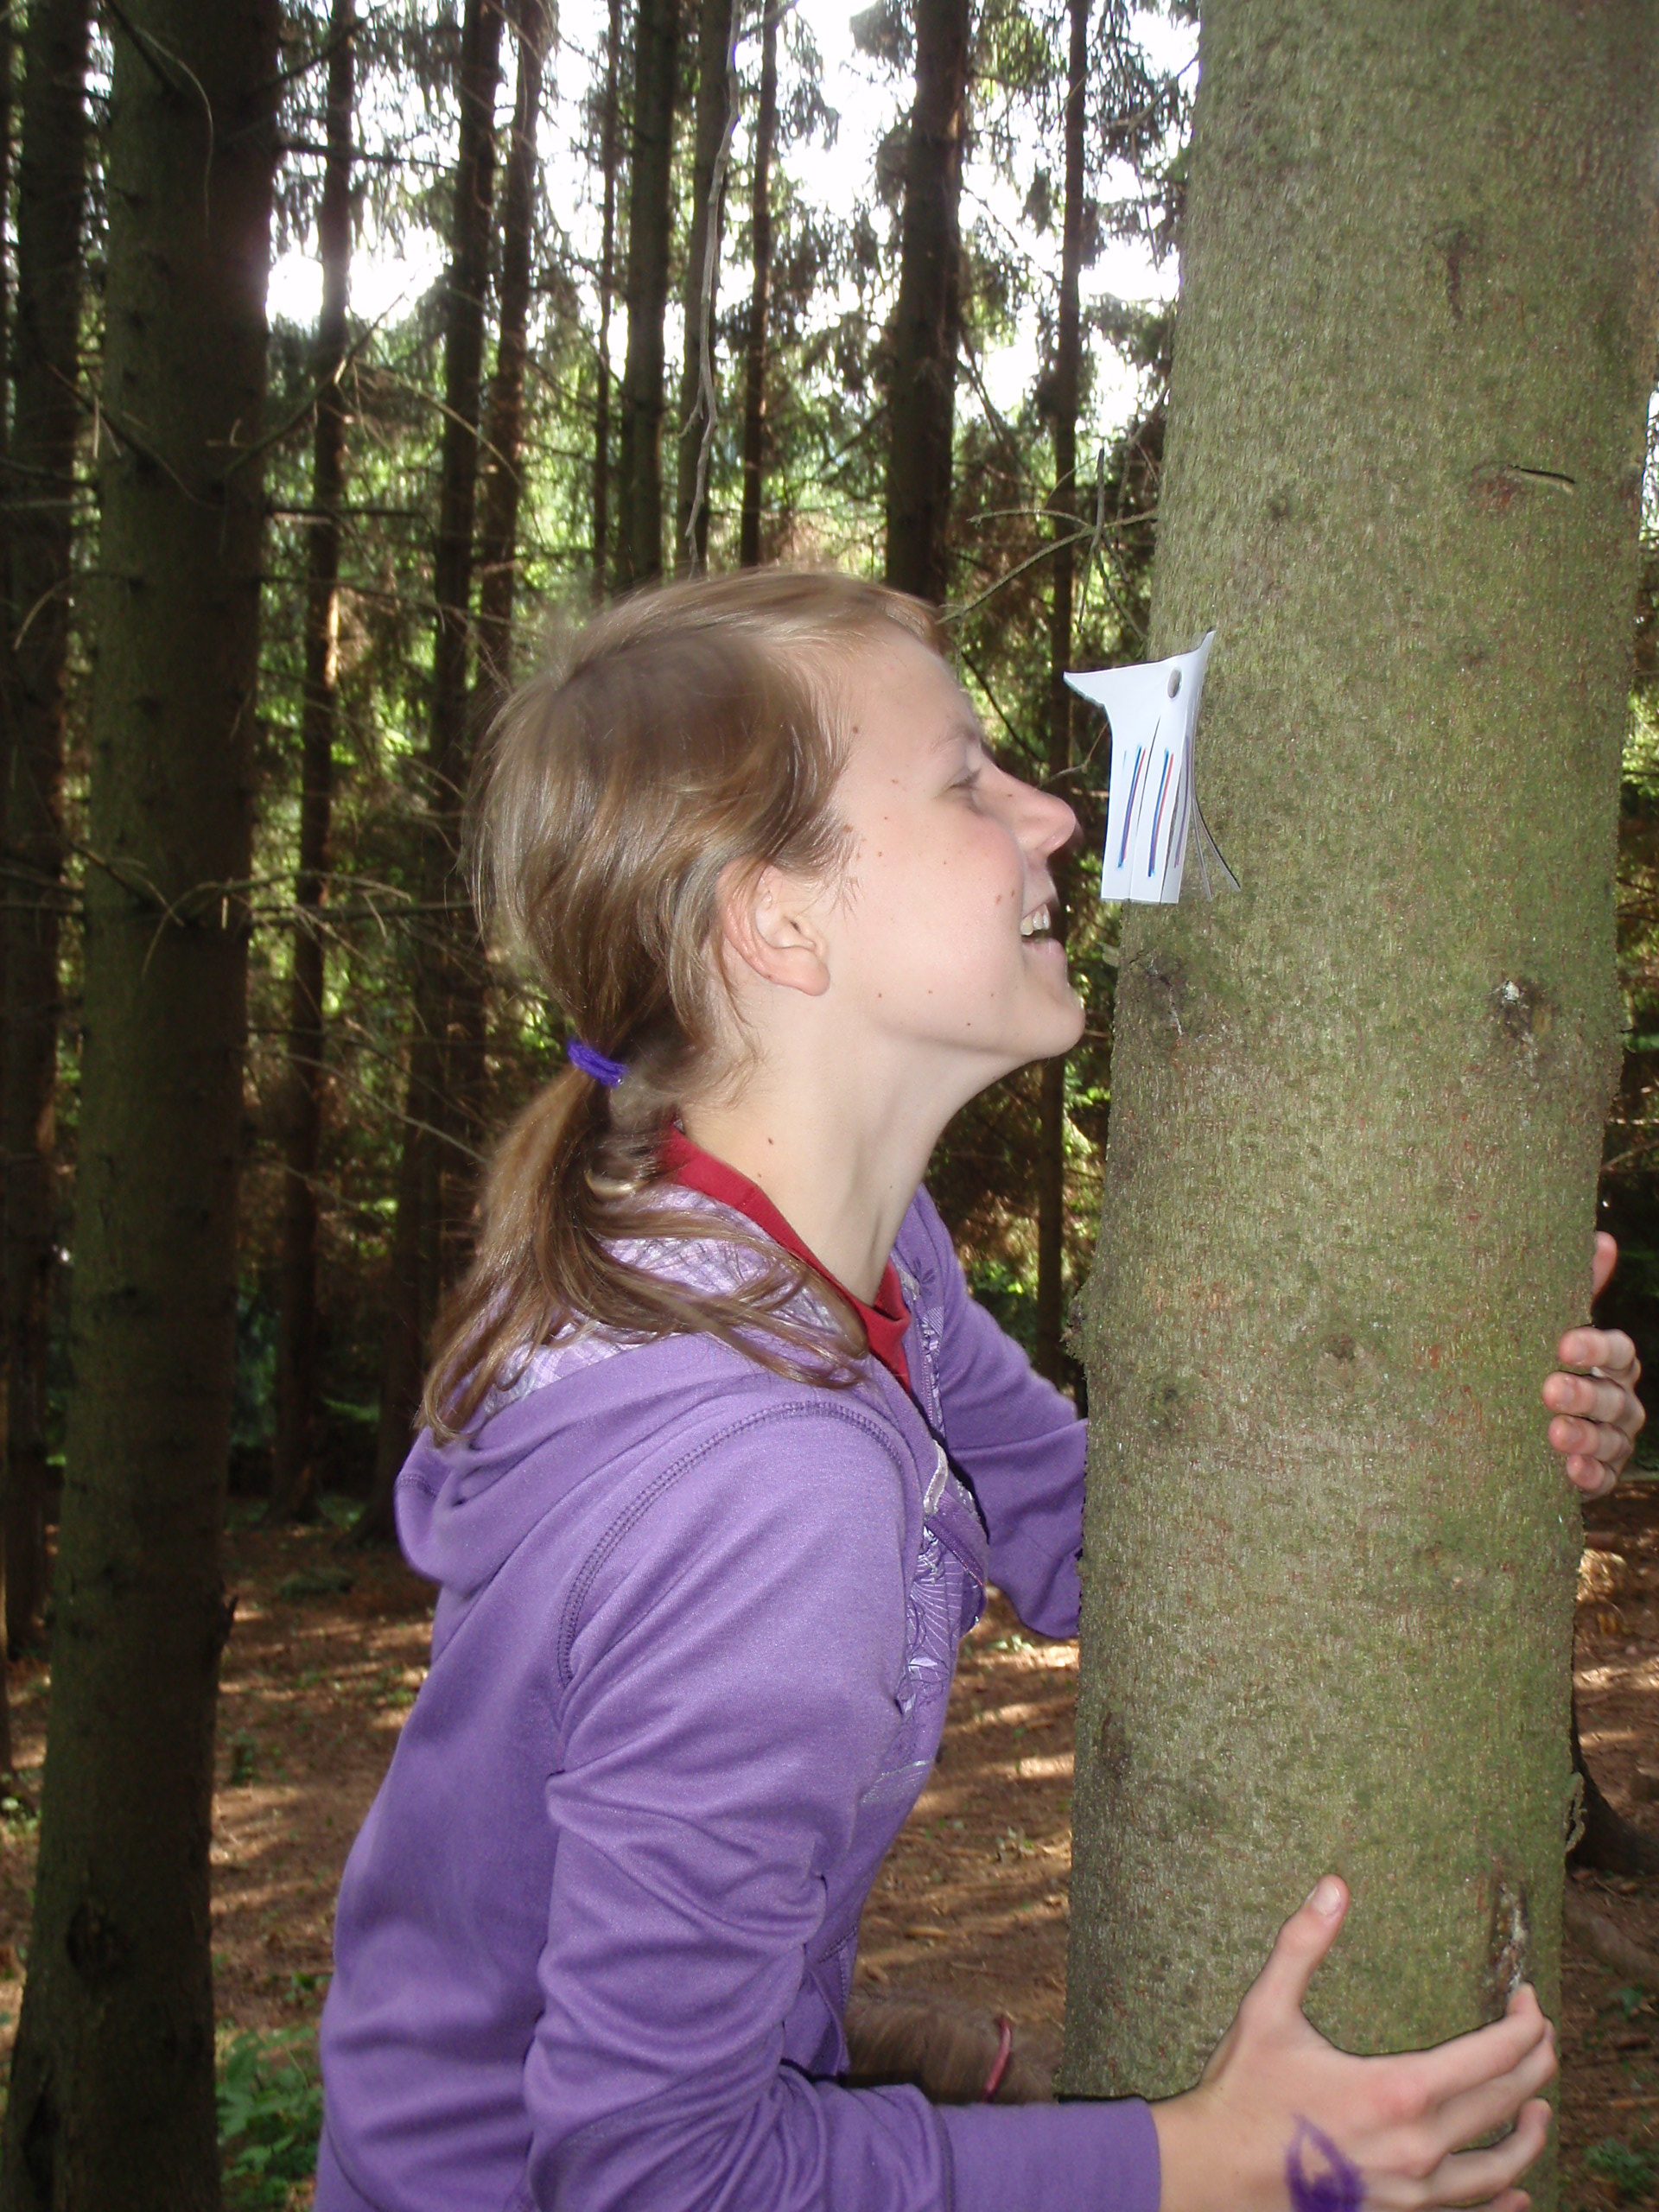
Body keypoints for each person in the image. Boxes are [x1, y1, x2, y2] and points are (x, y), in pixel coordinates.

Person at [316, 570, 1643, 2212]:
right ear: (777, 921)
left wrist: (1463, 1411)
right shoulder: (769, 1486)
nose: (1057, 816)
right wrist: (1191, 2164)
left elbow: (1102, 1547)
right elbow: (655, 2175)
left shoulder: (811, 1249)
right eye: (965, 780)